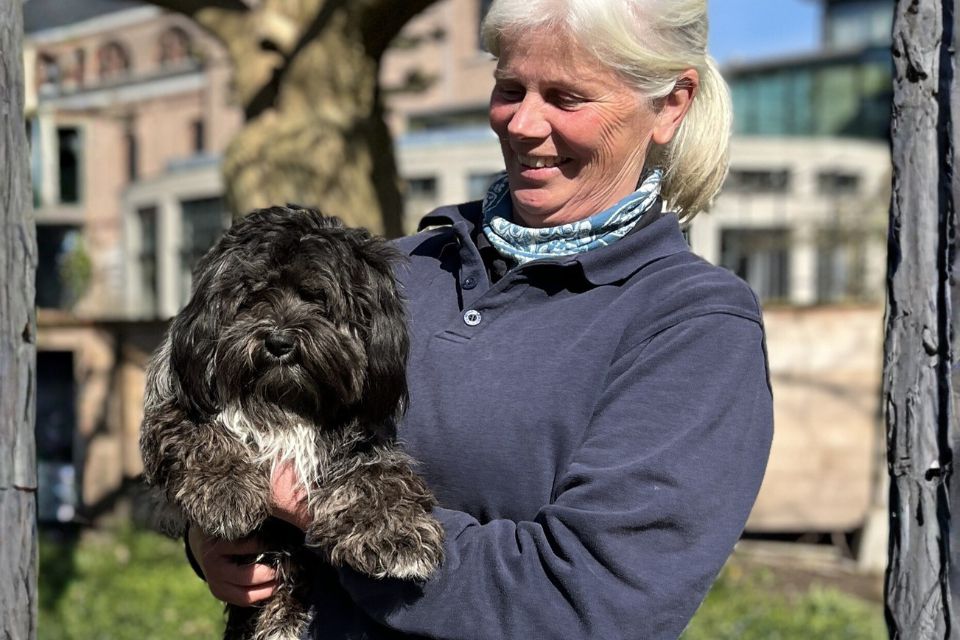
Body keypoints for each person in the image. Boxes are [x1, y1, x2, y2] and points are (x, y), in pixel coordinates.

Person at [186, 0, 774, 637]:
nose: (524, 123)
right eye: (509, 88)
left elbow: (589, 603)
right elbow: (220, 414)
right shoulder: (393, 268)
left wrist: (314, 503)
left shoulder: (693, 327)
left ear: (671, 104)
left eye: (567, 98)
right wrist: (215, 539)